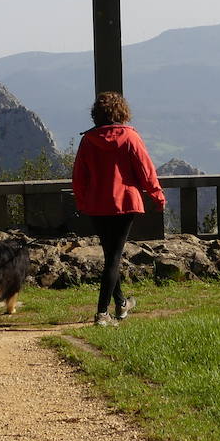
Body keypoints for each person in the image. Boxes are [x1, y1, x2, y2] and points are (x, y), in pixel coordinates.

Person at [71, 91, 166, 327]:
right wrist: (157, 196)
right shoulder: (131, 138)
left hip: (96, 205)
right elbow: (146, 171)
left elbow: (79, 177)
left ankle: (122, 303)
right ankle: (102, 314)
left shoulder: (88, 141)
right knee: (113, 258)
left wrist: (82, 201)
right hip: (124, 203)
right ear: (121, 112)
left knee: (110, 255)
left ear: (96, 115)